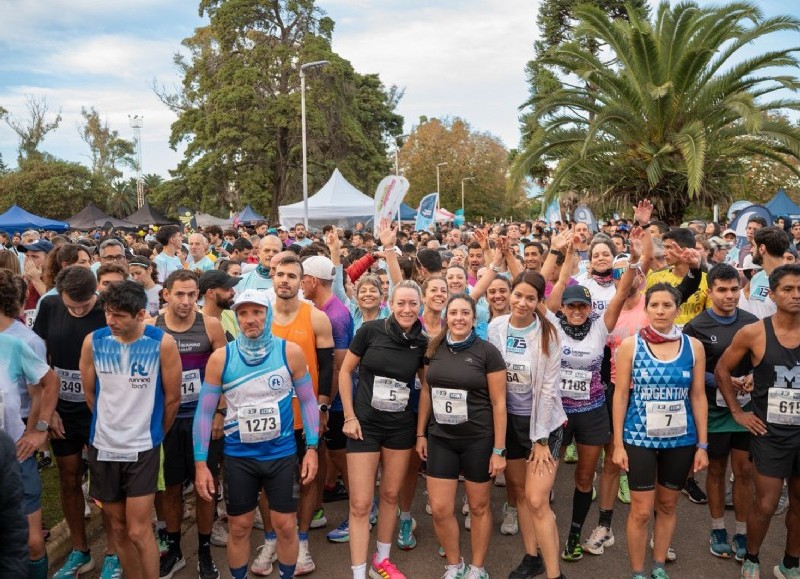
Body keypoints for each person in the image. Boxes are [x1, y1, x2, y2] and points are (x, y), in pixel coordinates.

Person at [193, 289, 320, 579]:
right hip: (239, 457)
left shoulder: (289, 352)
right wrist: (201, 464)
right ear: (236, 317)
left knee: (286, 525)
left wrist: (311, 447)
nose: (250, 319)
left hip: (282, 455)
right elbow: (203, 412)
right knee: (240, 527)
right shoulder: (221, 358)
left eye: (257, 312)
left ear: (268, 314)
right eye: (243, 313)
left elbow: (309, 401)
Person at [545, 228, 641, 562]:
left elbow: (620, 294)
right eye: (571, 305)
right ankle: (542, 536)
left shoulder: (601, 325)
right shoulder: (554, 324)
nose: (576, 310)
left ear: (588, 308)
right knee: (544, 480)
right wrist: (566, 253)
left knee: (585, 477)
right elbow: (554, 289)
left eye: (582, 306)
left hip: (592, 412)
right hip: (557, 414)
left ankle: (573, 535)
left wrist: (634, 258)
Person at [79, 280, 182, 579]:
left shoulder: (161, 343)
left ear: (139, 315)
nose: (110, 321)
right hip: (104, 445)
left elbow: (173, 399)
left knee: (139, 530)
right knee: (118, 527)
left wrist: (150, 435)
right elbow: (90, 395)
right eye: (108, 313)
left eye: (119, 315)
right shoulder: (93, 342)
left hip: (143, 448)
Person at [35, 266, 126, 579]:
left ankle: (114, 553)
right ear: (59, 294)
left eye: (84, 306)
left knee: (107, 482)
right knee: (69, 476)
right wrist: (49, 409)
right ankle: (79, 550)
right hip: (63, 409)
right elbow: (40, 358)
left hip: (102, 410)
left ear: (95, 295)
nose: (77, 310)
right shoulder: (49, 306)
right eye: (71, 306)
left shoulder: (108, 311)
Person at [612, 283, 708, 579]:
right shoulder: (631, 344)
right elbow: (621, 395)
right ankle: (638, 571)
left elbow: (698, 396)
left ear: (677, 309)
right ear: (647, 308)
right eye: (655, 305)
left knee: (667, 505)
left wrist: (703, 445)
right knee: (641, 510)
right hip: (639, 437)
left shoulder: (693, 347)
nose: (661, 311)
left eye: (667, 305)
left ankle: (658, 566)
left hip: (680, 439)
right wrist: (617, 443)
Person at [251, 254, 334, 576]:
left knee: (307, 477)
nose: (285, 280)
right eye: (280, 274)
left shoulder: (316, 318)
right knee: (264, 481)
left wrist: (323, 407)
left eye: (292, 276)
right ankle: (271, 539)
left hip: (305, 414)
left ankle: (301, 542)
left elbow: (327, 366)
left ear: (303, 281)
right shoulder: (260, 316)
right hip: (265, 415)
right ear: (272, 277)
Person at [715, 264, 800, 579]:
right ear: (773, 293)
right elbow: (723, 370)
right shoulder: (754, 332)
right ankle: (752, 557)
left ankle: (791, 564)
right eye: (788, 289)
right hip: (770, 433)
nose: (796, 295)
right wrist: (738, 412)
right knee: (765, 504)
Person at [340, 280, 428, 579]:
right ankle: (357, 572)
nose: (406, 309)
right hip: (365, 426)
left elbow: (426, 388)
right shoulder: (370, 331)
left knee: (391, 496)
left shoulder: (422, 342)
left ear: (420, 307)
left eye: (412, 304)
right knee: (361, 503)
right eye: (401, 303)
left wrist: (419, 433)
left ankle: (382, 560)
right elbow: (345, 371)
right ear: (390, 303)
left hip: (400, 428)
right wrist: (349, 416)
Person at [417, 293, 507, 579]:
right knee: (441, 509)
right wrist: (421, 433)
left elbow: (499, 403)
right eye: (453, 312)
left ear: (473, 318)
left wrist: (499, 450)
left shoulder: (487, 352)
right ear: (446, 317)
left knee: (479, 507)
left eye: (464, 313)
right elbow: (427, 392)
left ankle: (478, 568)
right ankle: (455, 565)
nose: (458, 318)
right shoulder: (434, 348)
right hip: (441, 437)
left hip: (477, 440)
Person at [148, 270, 227, 579]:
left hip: (203, 420)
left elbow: (224, 372)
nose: (185, 301)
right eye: (179, 294)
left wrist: (220, 411)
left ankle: (204, 551)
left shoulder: (210, 325)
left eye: (191, 294)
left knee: (206, 488)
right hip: (167, 421)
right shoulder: (151, 327)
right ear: (166, 294)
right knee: (170, 489)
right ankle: (175, 548)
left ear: (199, 295)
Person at [683, 263, 758, 562]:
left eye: (734, 289)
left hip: (745, 409)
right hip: (713, 411)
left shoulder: (752, 322)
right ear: (710, 291)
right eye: (722, 290)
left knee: (744, 472)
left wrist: (753, 377)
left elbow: (761, 359)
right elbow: (691, 369)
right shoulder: (696, 326)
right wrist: (724, 380)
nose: (729, 296)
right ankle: (717, 529)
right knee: (716, 470)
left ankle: (741, 531)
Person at [0, 269, 59, 579]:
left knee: (32, 541)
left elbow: (46, 385)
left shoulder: (18, 344)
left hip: (12, 454)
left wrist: (38, 430)